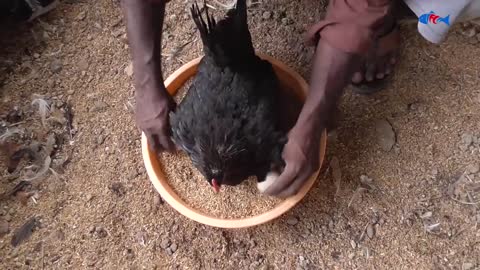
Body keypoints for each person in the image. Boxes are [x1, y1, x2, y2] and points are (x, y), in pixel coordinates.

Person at [121, 0, 480, 197]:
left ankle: (391, 16)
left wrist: (314, 118)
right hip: (232, 64)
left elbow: (359, 8)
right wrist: (146, 81)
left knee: (436, 4)